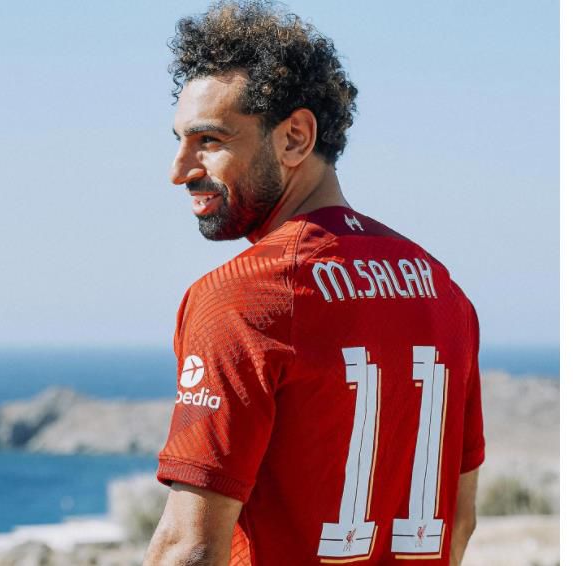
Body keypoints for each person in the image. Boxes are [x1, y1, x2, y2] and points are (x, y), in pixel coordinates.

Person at [145, 2, 484, 564]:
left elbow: (190, 547)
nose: (178, 169)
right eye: (179, 140)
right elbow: (460, 521)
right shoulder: (444, 291)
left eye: (208, 140)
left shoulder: (240, 298)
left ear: (296, 138)